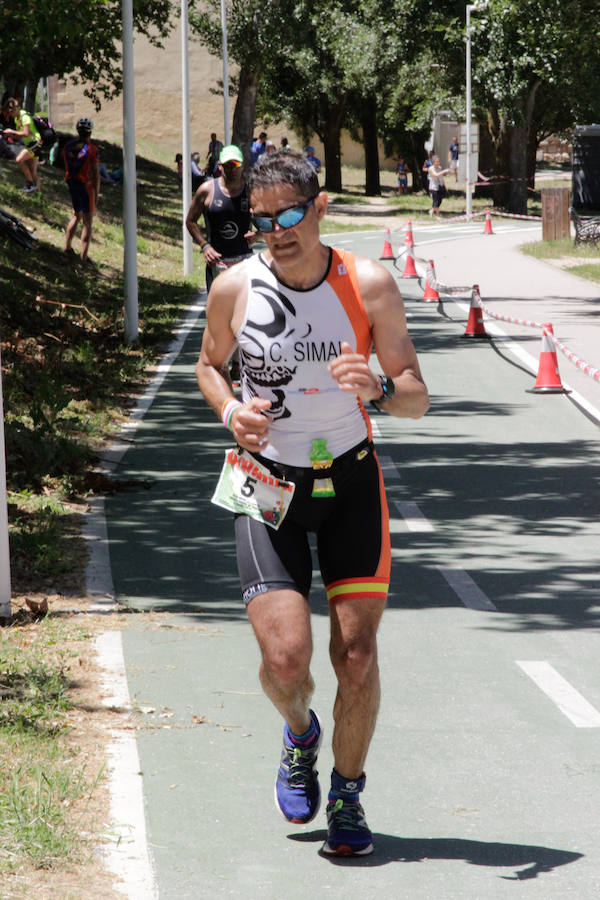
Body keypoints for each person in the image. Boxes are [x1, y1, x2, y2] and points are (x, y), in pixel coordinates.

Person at [194, 150, 429, 857]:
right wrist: (231, 410)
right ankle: (300, 734)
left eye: (291, 216)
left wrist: (380, 390)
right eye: (262, 220)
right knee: (287, 659)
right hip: (267, 484)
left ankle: (349, 795)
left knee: (355, 655)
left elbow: (417, 394)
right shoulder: (235, 288)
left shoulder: (369, 284)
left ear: (320, 208)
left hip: (351, 484)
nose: (277, 232)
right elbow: (209, 364)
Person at [185, 143, 256, 293]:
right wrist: (205, 246)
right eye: (227, 165)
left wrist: (259, 235)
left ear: (242, 165)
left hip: (245, 262)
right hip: (217, 263)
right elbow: (190, 221)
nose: (232, 169)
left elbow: (269, 218)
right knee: (218, 314)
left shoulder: (251, 190)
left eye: (235, 164)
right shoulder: (207, 190)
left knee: (246, 312)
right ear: (220, 165)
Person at [63, 117, 100, 261]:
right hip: (86, 185)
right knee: (88, 222)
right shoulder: (92, 149)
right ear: (90, 132)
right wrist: (96, 193)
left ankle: (67, 246)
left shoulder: (69, 145)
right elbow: (96, 173)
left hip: (72, 183)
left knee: (76, 216)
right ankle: (83, 257)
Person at [0, 98, 41, 192]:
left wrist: (12, 131)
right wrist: (10, 136)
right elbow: (20, 135)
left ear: (15, 109)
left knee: (19, 159)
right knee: (33, 171)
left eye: (11, 113)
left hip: (35, 143)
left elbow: (26, 133)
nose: (10, 115)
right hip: (31, 144)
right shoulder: (17, 119)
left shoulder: (24, 117)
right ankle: (39, 194)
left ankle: (30, 183)